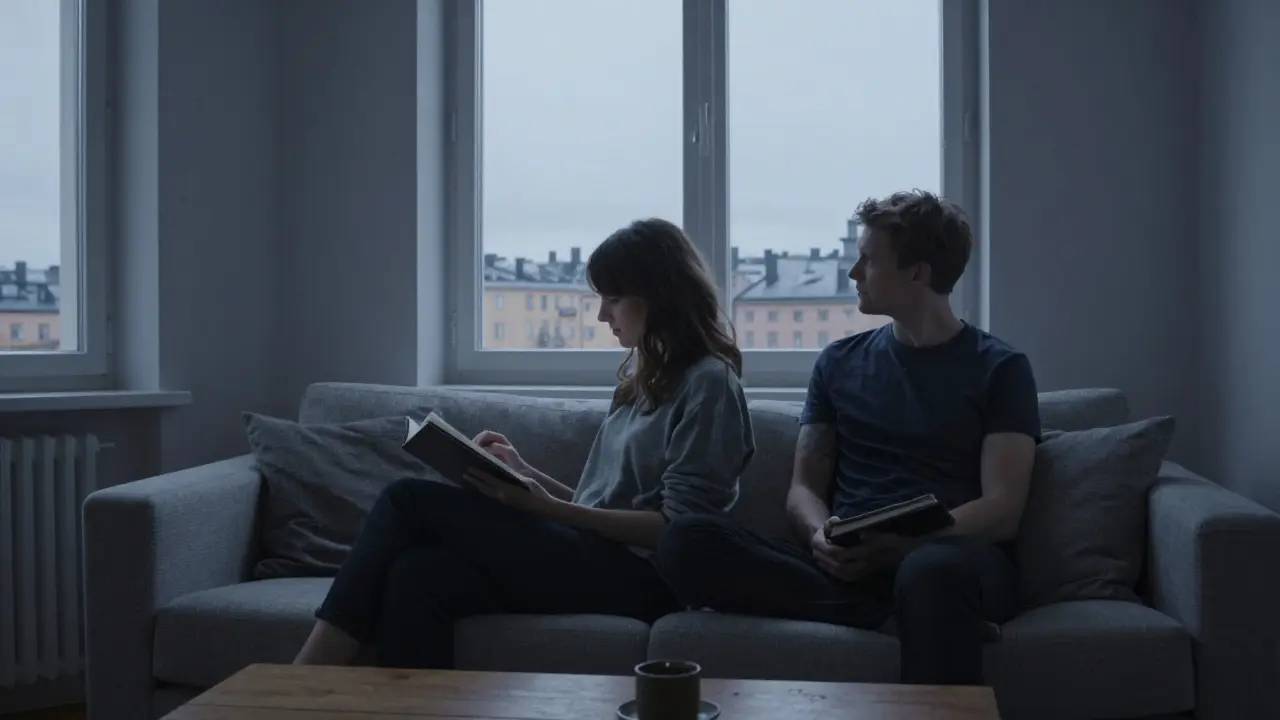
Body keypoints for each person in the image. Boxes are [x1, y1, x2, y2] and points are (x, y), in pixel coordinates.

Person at [292, 218, 756, 669]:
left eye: (613, 299)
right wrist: (526, 474)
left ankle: (300, 687)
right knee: (418, 574)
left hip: (651, 581)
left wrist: (540, 507)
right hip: (599, 555)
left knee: (406, 500)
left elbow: (677, 531)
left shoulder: (710, 384)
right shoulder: (643, 383)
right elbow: (603, 506)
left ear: (660, 297)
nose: (601, 315)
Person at [654, 190, 1040, 687]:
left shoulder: (1000, 368)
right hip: (845, 563)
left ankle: (906, 609)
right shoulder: (838, 362)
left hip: (950, 558)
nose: (854, 273)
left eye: (868, 259)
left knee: (931, 574)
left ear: (918, 273)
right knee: (685, 541)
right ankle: (884, 615)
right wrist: (820, 536)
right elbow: (803, 488)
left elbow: (1003, 508)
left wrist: (903, 546)